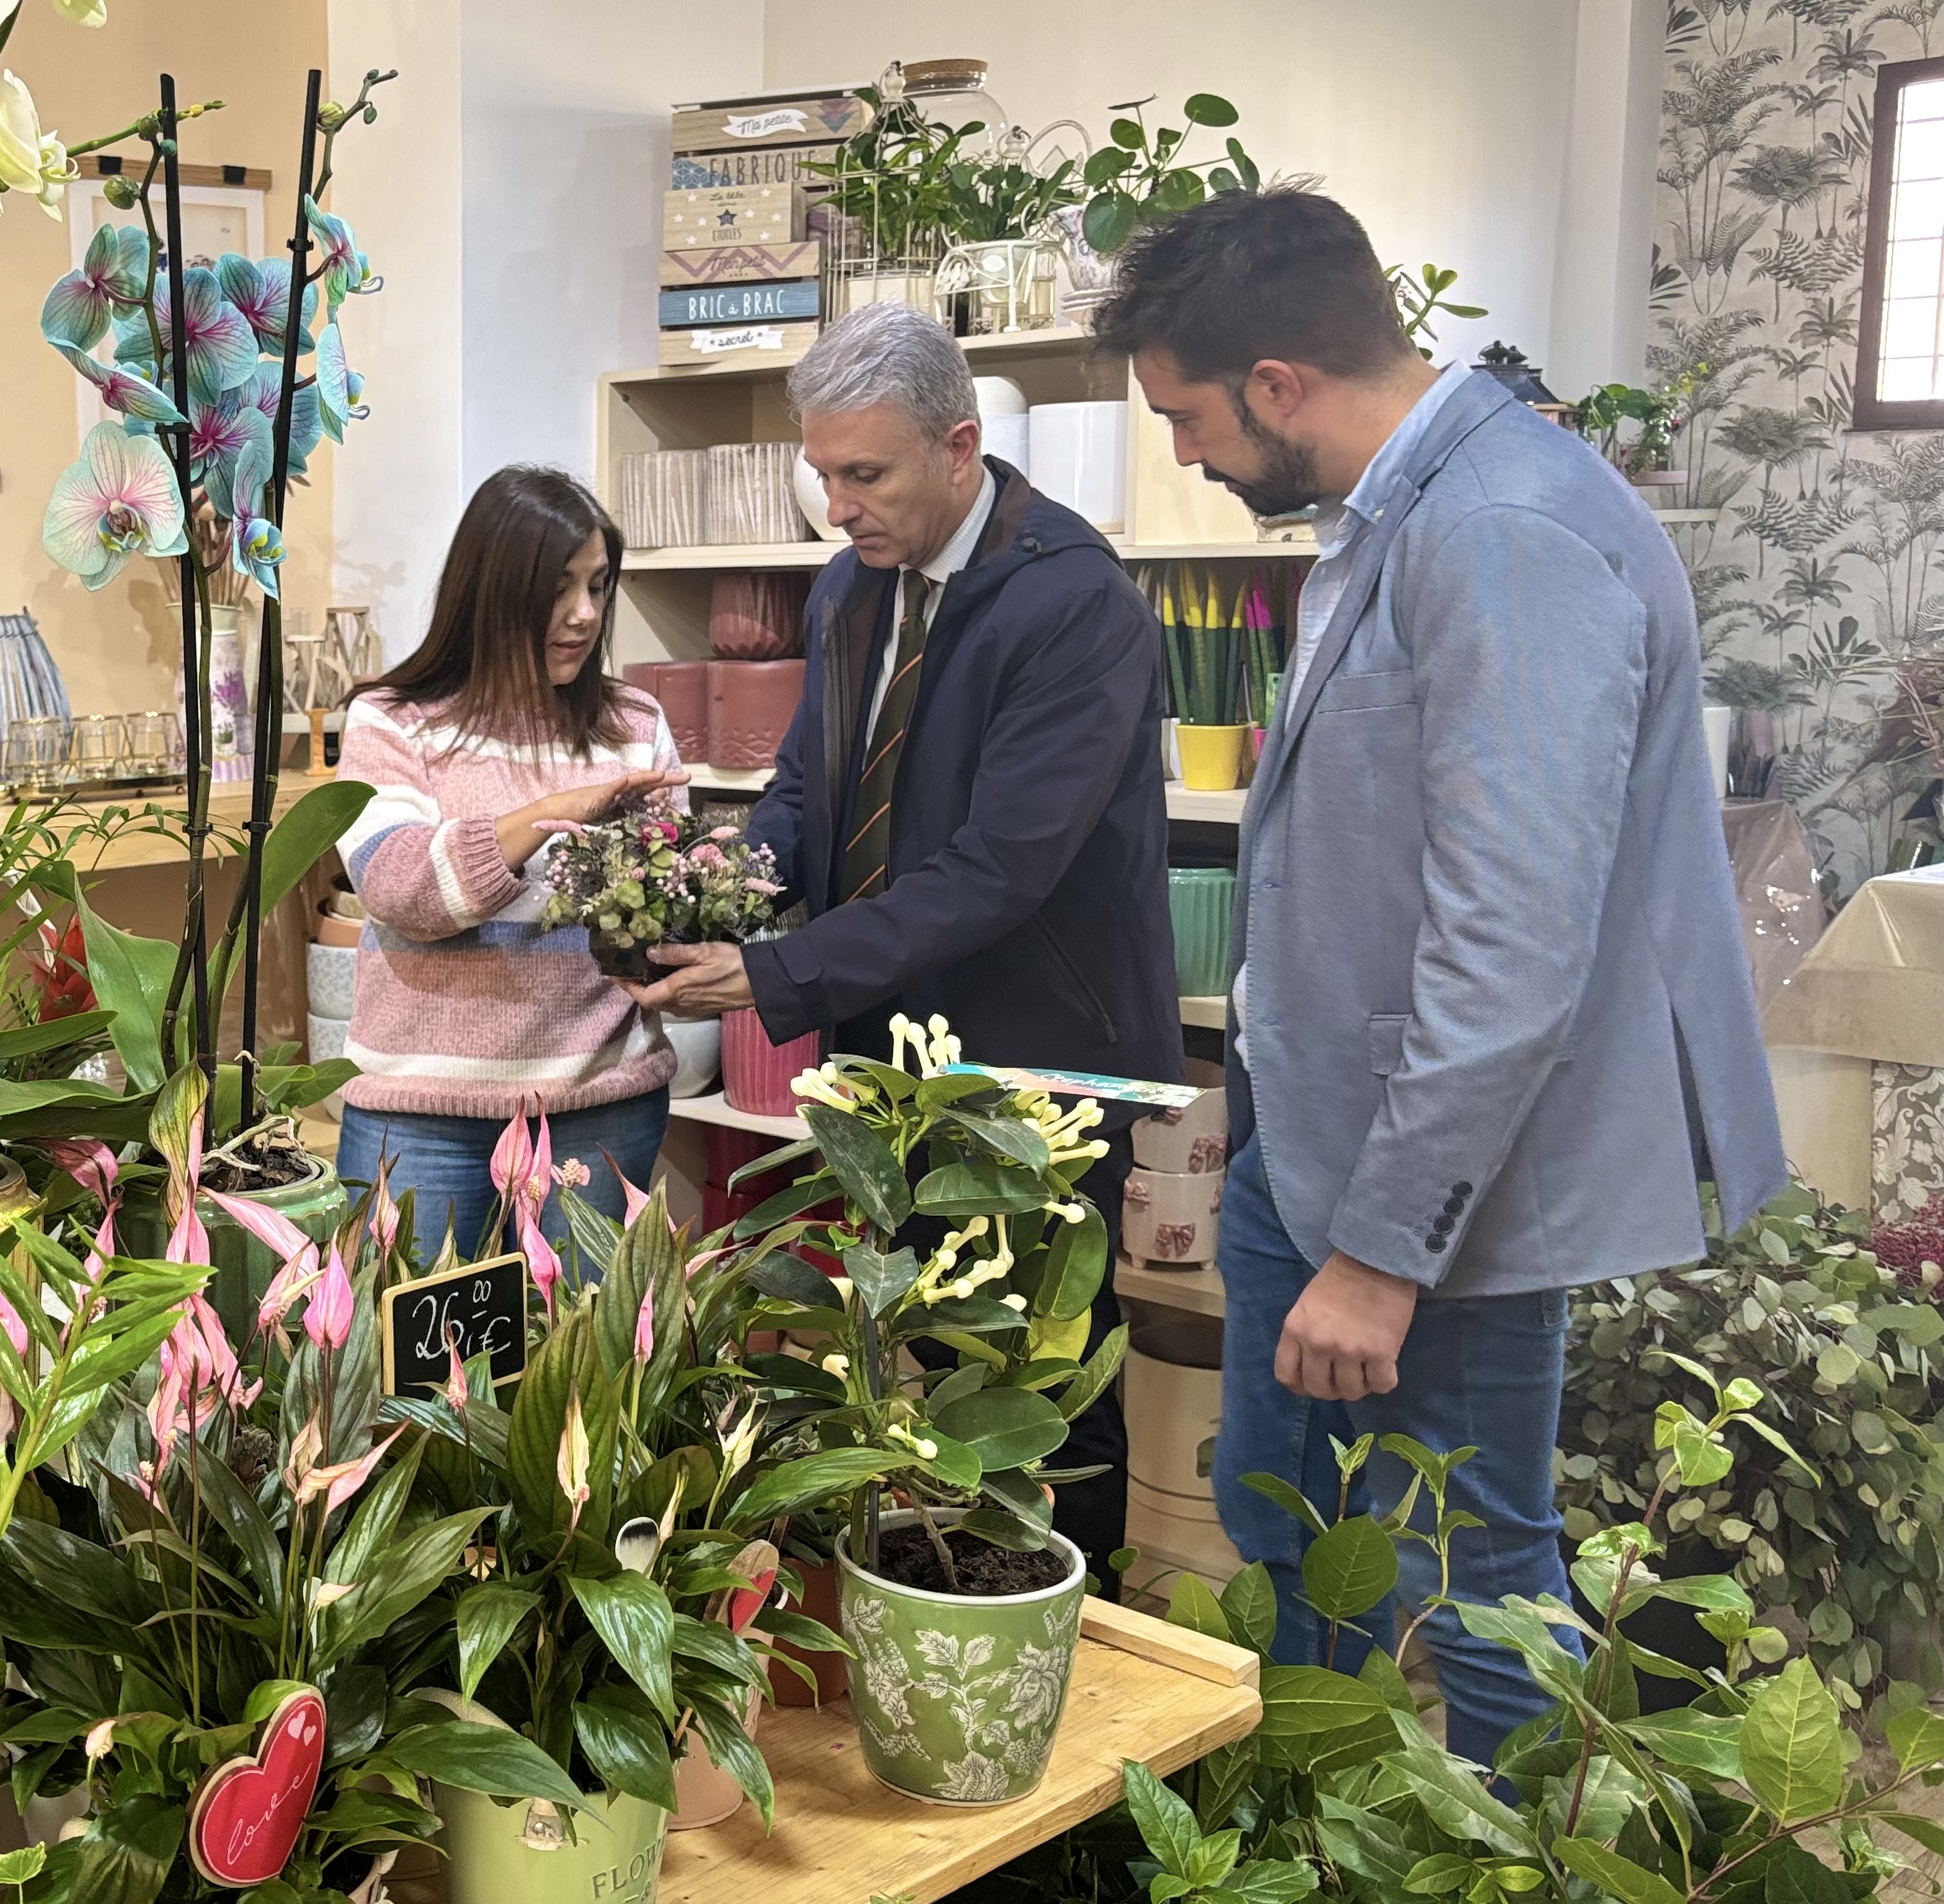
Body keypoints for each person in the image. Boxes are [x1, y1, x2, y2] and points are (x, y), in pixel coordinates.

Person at [1092, 188, 1781, 1767]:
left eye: (1185, 417)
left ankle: (1498, 1861)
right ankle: (1310, 1825)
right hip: (1317, 1144)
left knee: (1482, 1581)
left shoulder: (1502, 533)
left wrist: (1384, 1249)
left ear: (1276, 382)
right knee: (1297, 1540)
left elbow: (1512, 941)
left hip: (1445, 1189)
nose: (1184, 454)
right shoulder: (1407, 507)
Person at [628, 301, 1178, 1585]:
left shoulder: (1078, 606)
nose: (836, 506)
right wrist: (730, 892)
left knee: (1037, 1373)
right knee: (906, 1346)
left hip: (1040, 1069)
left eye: (863, 474)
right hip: (892, 1041)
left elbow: (1000, 870)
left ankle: (1072, 1648)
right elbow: (815, 787)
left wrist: (775, 974)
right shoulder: (850, 588)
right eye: (821, 473)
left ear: (960, 447)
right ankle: (928, 1617)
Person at [330, 464, 692, 1259]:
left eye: (598, 585)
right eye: (558, 588)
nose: (583, 614)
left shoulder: (633, 725)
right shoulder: (392, 723)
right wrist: (546, 819)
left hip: (599, 1109)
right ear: (492, 591)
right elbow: (398, 887)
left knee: (586, 1372)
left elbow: (664, 905)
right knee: (407, 1373)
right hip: (418, 1116)